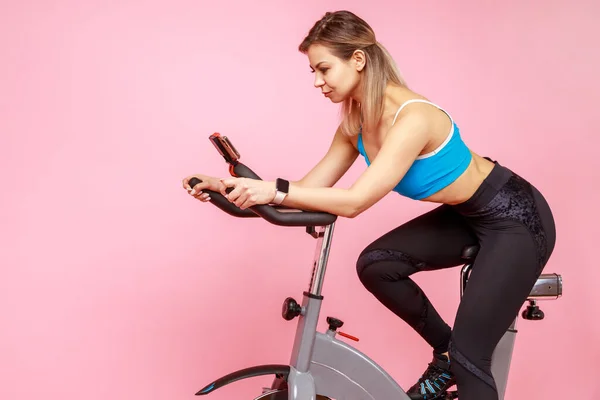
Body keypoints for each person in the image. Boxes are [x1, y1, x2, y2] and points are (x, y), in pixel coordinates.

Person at [182, 10, 556, 400]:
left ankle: (457, 355)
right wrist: (228, 189)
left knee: (472, 358)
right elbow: (307, 189)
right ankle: (447, 351)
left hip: (516, 217)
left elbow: (355, 201)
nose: (316, 81)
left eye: (324, 69)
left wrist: (273, 192)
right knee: (378, 264)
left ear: (357, 60)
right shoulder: (356, 121)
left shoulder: (415, 117)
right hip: (468, 214)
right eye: (313, 71)